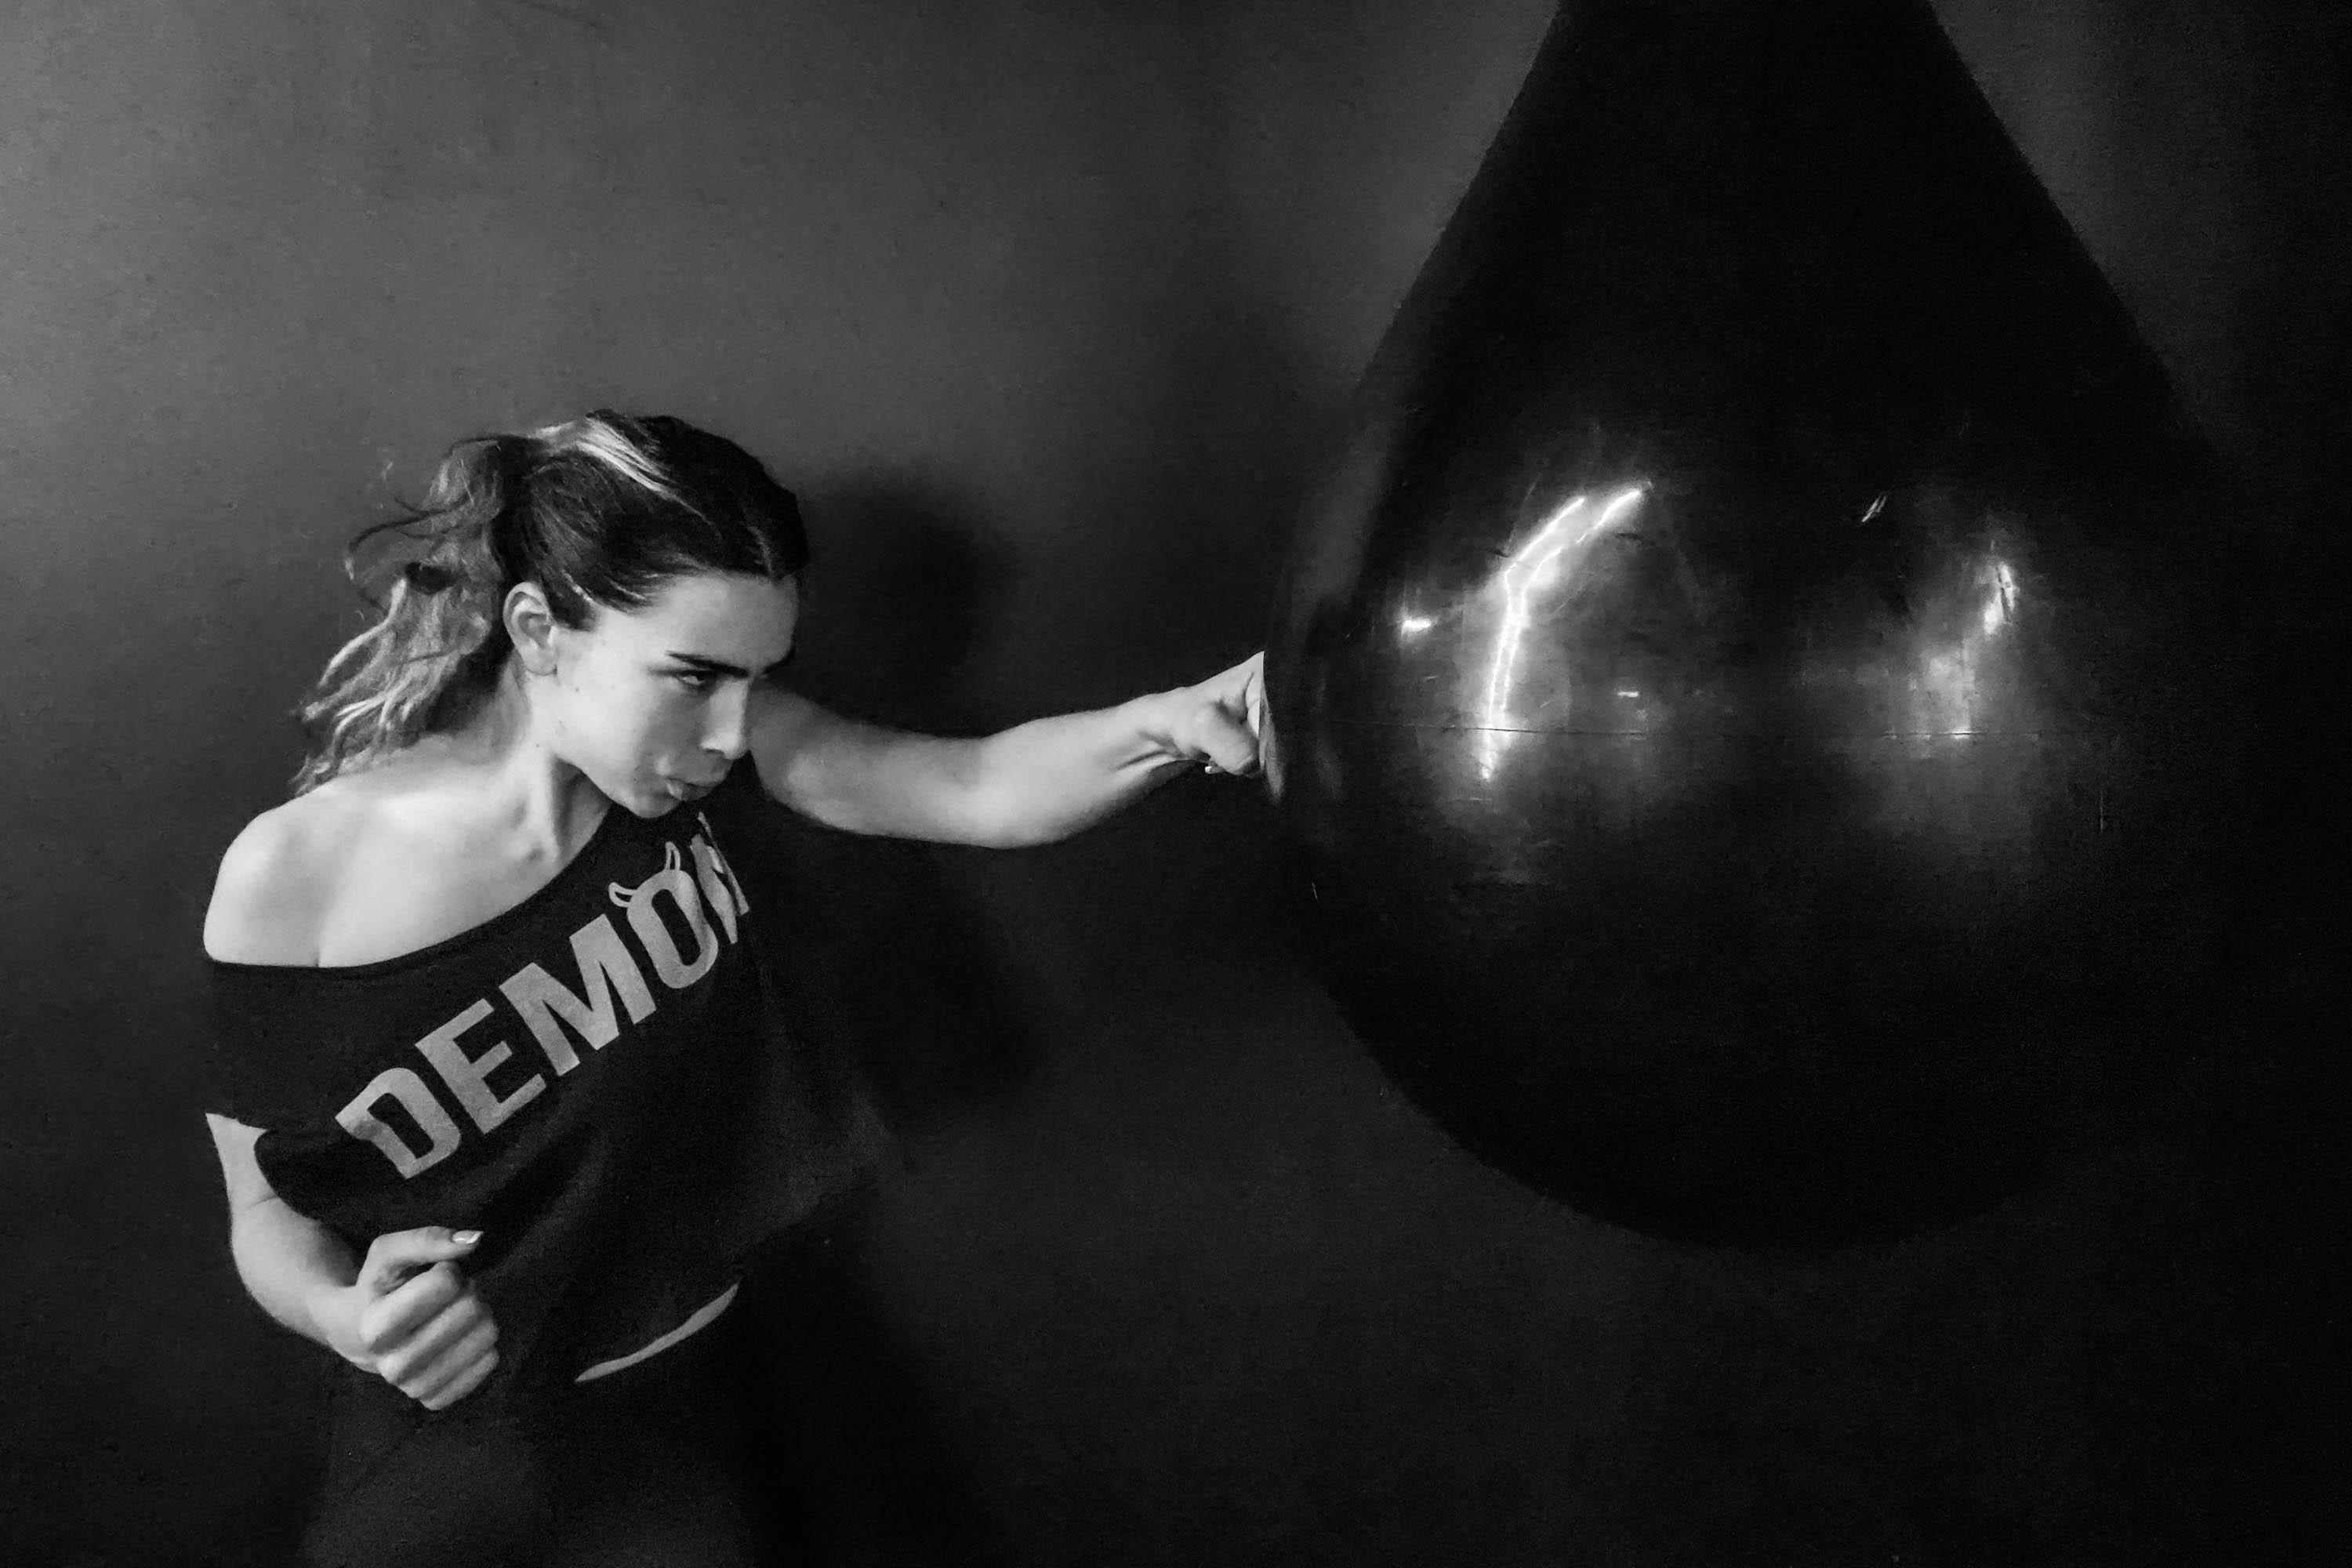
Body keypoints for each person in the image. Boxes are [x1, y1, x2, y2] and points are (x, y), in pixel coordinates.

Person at [200, 410, 1264, 1565]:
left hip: (682, 1424)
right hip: (456, 1454)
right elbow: (266, 1210)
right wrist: (347, 1317)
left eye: (754, 682)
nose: (725, 731)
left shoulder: (701, 760)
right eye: (692, 676)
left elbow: (975, 788)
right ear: (539, 630)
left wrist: (1168, 728)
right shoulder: (295, 878)